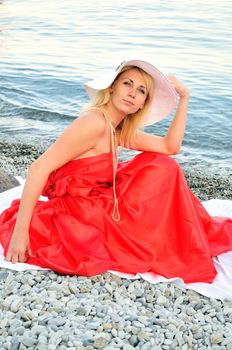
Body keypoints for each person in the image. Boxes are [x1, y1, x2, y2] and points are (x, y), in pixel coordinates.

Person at [0, 59, 231, 283]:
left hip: (98, 203)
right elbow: (38, 167)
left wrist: (185, 98)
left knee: (163, 167)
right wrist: (21, 234)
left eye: (141, 90)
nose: (132, 93)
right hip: (78, 213)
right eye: (127, 83)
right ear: (111, 89)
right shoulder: (95, 123)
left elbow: (169, 147)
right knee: (154, 225)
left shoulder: (116, 129)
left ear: (142, 103)